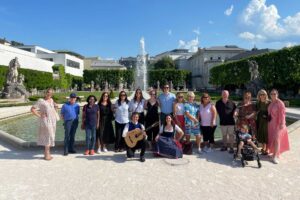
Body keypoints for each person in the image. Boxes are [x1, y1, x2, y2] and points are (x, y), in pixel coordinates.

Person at [31, 88, 58, 160]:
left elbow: (52, 110)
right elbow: (32, 109)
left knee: (51, 136)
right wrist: (40, 115)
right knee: (49, 135)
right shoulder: (41, 101)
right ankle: (47, 154)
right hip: (46, 121)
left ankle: (47, 153)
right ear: (45, 92)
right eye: (48, 92)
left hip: (52, 121)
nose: (50, 94)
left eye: (51, 93)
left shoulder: (51, 100)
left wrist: (55, 107)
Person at [267, 89, 290, 164]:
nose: (273, 95)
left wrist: (282, 124)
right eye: (272, 94)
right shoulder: (271, 103)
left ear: (277, 94)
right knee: (273, 139)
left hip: (278, 124)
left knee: (277, 140)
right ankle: (274, 153)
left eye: (274, 94)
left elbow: (283, 114)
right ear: (270, 95)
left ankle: (275, 157)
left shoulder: (280, 103)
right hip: (271, 124)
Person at [256, 89, 270, 155]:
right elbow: (255, 111)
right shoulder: (258, 103)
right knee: (261, 133)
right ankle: (263, 148)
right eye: (261, 94)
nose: (262, 96)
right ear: (259, 95)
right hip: (260, 120)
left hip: (266, 121)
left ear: (266, 95)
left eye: (263, 94)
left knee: (266, 134)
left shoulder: (269, 102)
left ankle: (267, 149)